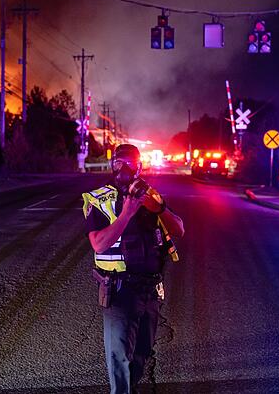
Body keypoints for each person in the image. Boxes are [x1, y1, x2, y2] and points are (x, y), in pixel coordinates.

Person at [83, 144, 185, 394]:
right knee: (119, 357)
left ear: (139, 166)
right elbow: (98, 244)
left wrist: (159, 208)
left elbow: (179, 229)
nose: (124, 169)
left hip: (150, 289)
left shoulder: (150, 195)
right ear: (112, 166)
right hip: (119, 290)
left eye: (130, 163)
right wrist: (126, 214)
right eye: (119, 163)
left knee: (142, 352)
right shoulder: (98, 199)